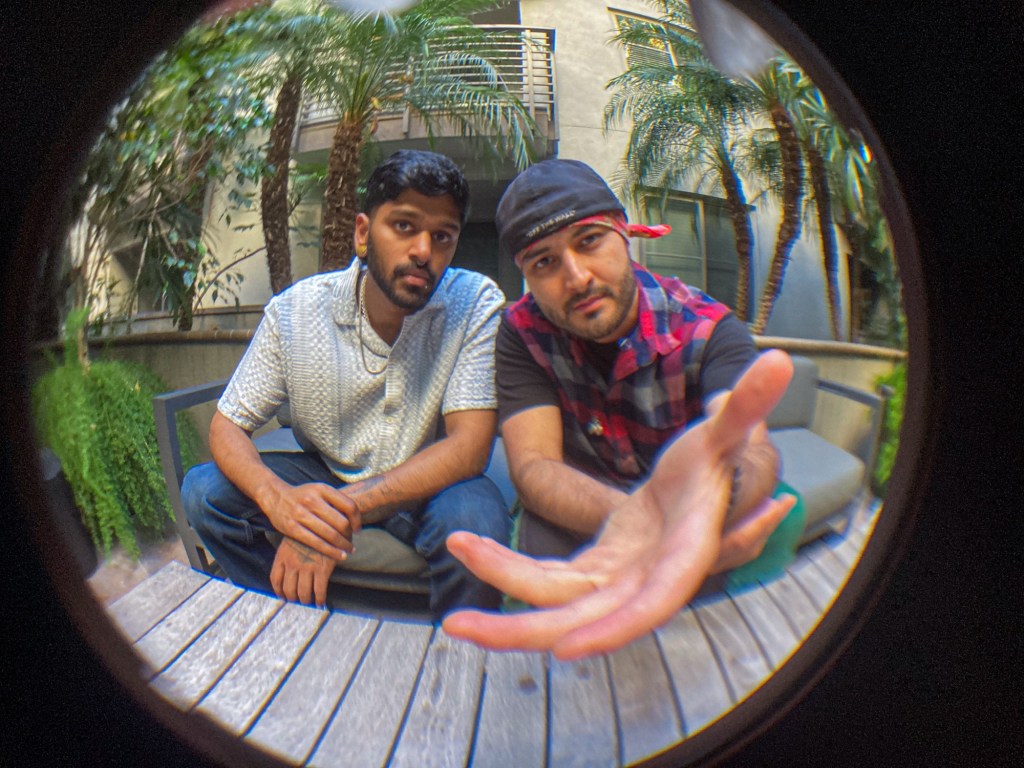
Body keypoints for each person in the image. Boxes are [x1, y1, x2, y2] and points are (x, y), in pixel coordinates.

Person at [441, 158, 800, 657]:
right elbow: (534, 465)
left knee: (764, 545)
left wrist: (701, 507)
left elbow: (751, 451)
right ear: (526, 277)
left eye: (589, 241)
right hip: (579, 505)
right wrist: (638, 518)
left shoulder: (709, 328)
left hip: (699, 504)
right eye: (544, 262)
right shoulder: (522, 333)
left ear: (624, 234)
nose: (577, 277)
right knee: (541, 632)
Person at [182, 150, 511, 618]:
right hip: (326, 471)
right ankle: (288, 617)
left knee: (477, 524)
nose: (423, 251)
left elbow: (469, 448)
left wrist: (324, 520)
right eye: (404, 226)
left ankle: (456, 648)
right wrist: (280, 503)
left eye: (443, 236)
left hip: (429, 484)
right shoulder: (295, 311)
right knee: (203, 492)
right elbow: (227, 425)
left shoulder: (474, 302)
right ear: (362, 233)